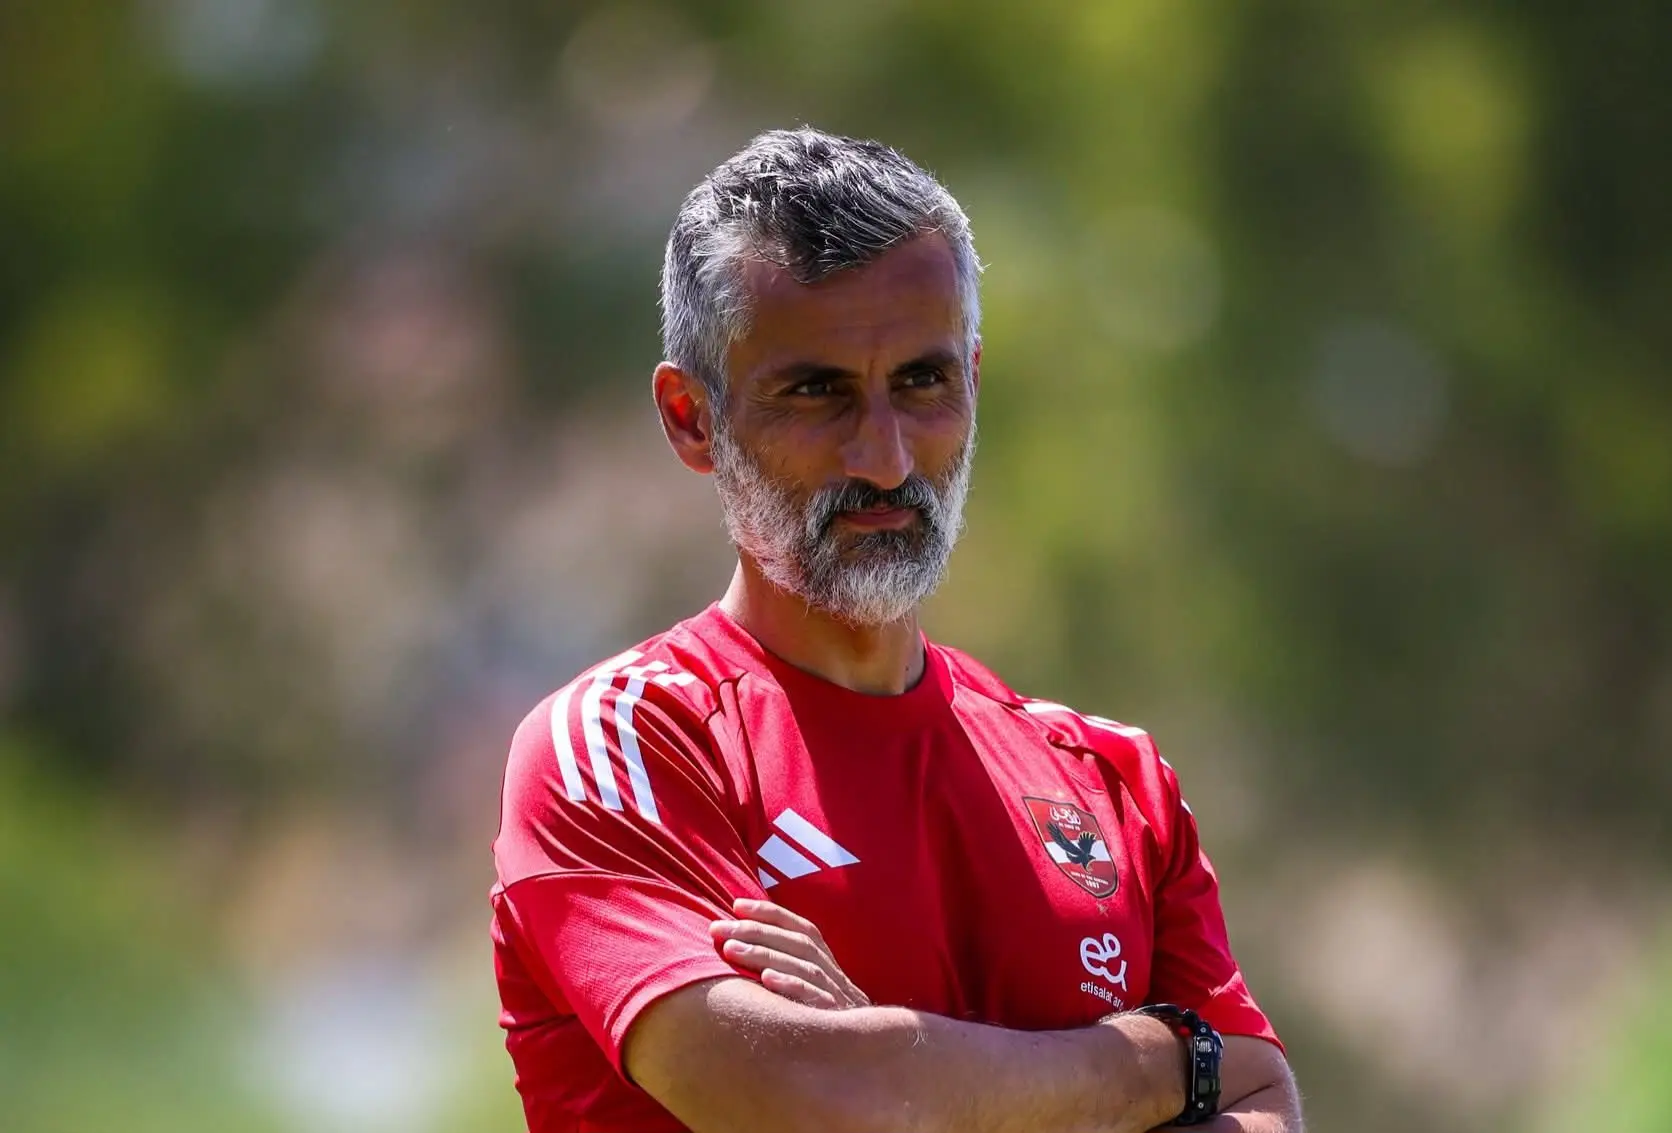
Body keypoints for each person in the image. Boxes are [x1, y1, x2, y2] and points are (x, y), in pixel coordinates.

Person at [491, 127, 1303, 1133]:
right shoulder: (625, 746)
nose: (884, 456)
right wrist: (1158, 1061)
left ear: (973, 378)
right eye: (815, 391)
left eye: (922, 382)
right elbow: (818, 1096)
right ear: (691, 417)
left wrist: (892, 1061)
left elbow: (1259, 1099)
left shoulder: (1113, 779)